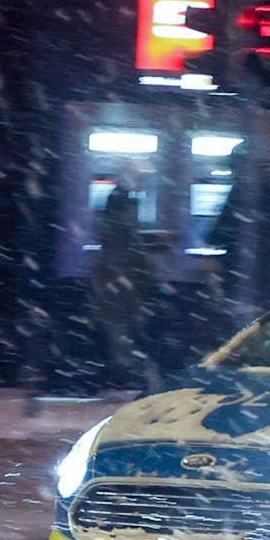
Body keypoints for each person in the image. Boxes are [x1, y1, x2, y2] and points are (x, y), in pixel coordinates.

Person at [89, 163, 161, 393]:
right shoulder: (122, 202)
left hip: (119, 287)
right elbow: (126, 241)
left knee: (119, 334)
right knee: (121, 334)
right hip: (121, 287)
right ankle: (128, 378)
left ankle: (122, 378)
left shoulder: (120, 201)